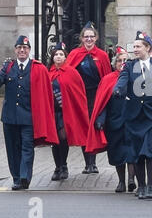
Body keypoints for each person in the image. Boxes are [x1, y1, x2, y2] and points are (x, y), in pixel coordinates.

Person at [112, 32, 152, 200]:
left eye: (138, 46)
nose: (135, 49)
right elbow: (122, 80)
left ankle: (150, 185)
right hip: (134, 115)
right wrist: (118, 90)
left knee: (151, 149)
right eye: (134, 47)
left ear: (148, 48)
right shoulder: (129, 66)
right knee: (137, 151)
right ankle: (140, 186)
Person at [0, 35, 58, 190]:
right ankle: (16, 177)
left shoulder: (37, 68)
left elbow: (45, 93)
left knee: (27, 147)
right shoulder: (8, 67)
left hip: (28, 117)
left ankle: (25, 176)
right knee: (13, 150)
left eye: (25, 48)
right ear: (15, 50)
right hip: (10, 117)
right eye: (19, 48)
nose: (22, 50)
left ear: (29, 50)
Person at [85, 46, 136, 193]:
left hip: (131, 121)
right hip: (114, 122)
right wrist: (100, 119)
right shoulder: (108, 80)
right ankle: (121, 181)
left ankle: (131, 179)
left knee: (131, 151)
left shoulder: (136, 77)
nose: (122, 63)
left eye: (125, 60)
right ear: (115, 63)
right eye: (120, 61)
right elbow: (103, 103)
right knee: (117, 153)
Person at [65, 21, 112, 174]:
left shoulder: (102, 55)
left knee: (93, 126)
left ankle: (93, 163)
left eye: (92, 36)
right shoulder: (74, 54)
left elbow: (106, 78)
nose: (89, 39)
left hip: (95, 95)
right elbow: (67, 75)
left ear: (96, 38)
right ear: (82, 38)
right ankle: (87, 163)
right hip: (79, 96)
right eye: (86, 37)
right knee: (83, 126)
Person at [48, 42, 89, 181]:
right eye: (56, 55)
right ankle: (57, 166)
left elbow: (79, 94)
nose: (58, 57)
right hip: (53, 112)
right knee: (54, 141)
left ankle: (63, 165)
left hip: (67, 112)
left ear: (65, 57)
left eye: (61, 54)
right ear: (52, 57)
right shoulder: (49, 73)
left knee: (63, 138)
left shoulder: (72, 73)